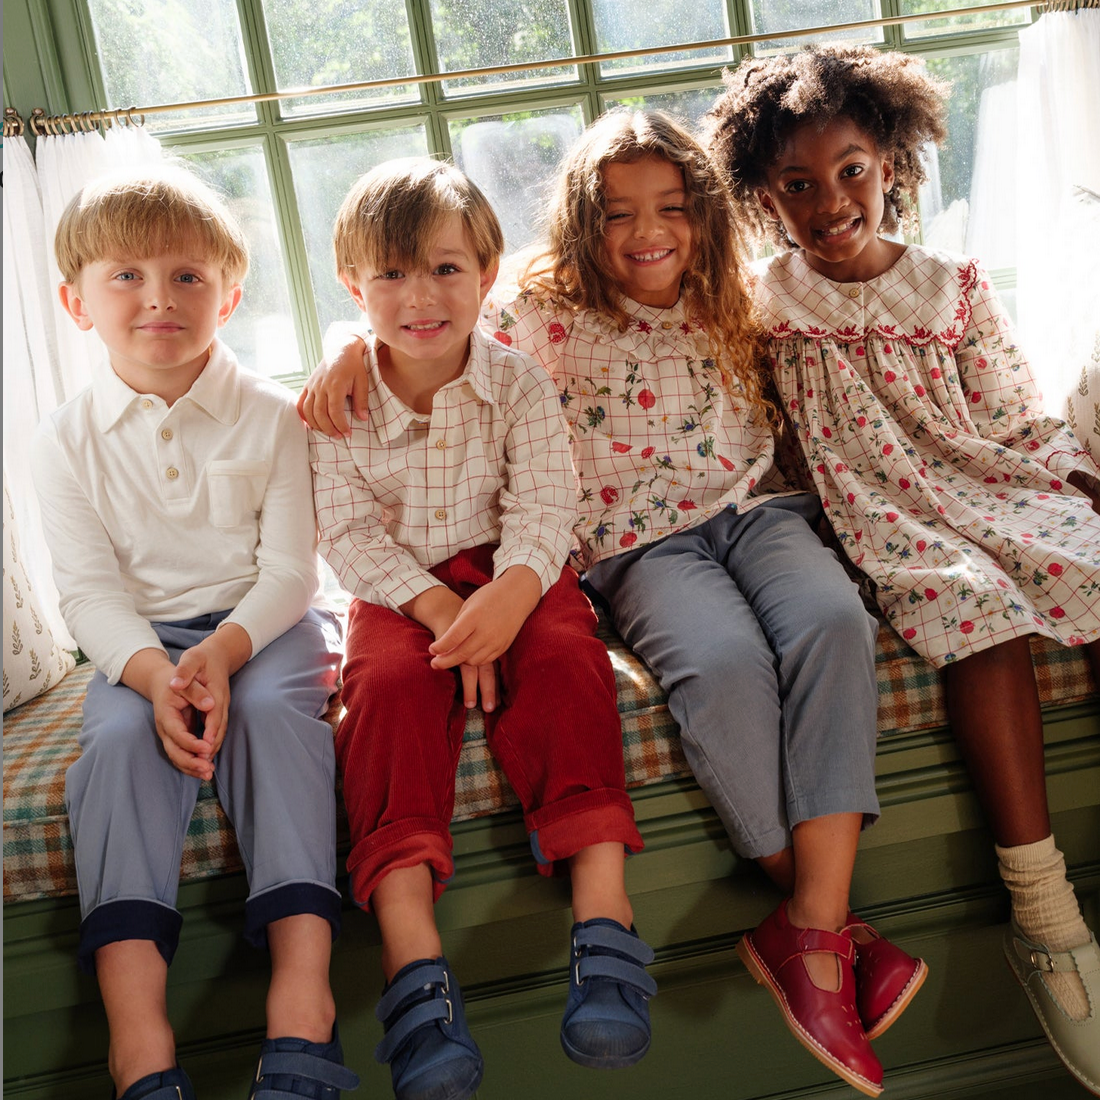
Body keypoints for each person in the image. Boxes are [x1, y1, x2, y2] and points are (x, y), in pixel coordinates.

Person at [301, 114, 927, 1099]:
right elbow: (423, 313)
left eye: (674, 209)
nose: (650, 231)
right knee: (719, 663)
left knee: (834, 619)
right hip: (636, 542)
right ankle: (826, 926)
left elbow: (853, 289)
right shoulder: (541, 309)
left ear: (707, 218)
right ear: (580, 224)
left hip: (756, 511)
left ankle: (808, 920)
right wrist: (344, 343)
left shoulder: (739, 287)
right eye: (620, 213)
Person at [704, 44, 1100, 1097]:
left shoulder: (950, 286)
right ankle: (1044, 909)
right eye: (796, 184)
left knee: (1089, 562)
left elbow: (1014, 415)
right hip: (872, 514)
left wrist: (1073, 474)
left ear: (892, 163)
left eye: (849, 171)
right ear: (761, 196)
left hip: (979, 477)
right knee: (971, 604)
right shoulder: (755, 304)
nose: (829, 202)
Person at [311, 157, 655, 1100]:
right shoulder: (333, 402)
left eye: (446, 270)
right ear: (354, 288)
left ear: (487, 274)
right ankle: (413, 960)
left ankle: (602, 914)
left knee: (566, 659)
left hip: (514, 570)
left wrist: (506, 598)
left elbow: (549, 506)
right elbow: (341, 532)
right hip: (401, 591)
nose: (421, 297)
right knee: (379, 692)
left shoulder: (515, 382)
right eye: (391, 275)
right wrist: (438, 611)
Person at [31, 167, 358, 1100]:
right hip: (140, 643)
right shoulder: (66, 439)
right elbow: (88, 594)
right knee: (123, 742)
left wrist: (222, 652)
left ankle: (305, 997)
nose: (159, 299)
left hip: (266, 627)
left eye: (186, 276)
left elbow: (292, 572)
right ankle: (138, 1040)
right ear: (77, 301)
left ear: (231, 293)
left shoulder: (273, 417)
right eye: (125, 277)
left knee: (270, 714)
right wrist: (148, 673)